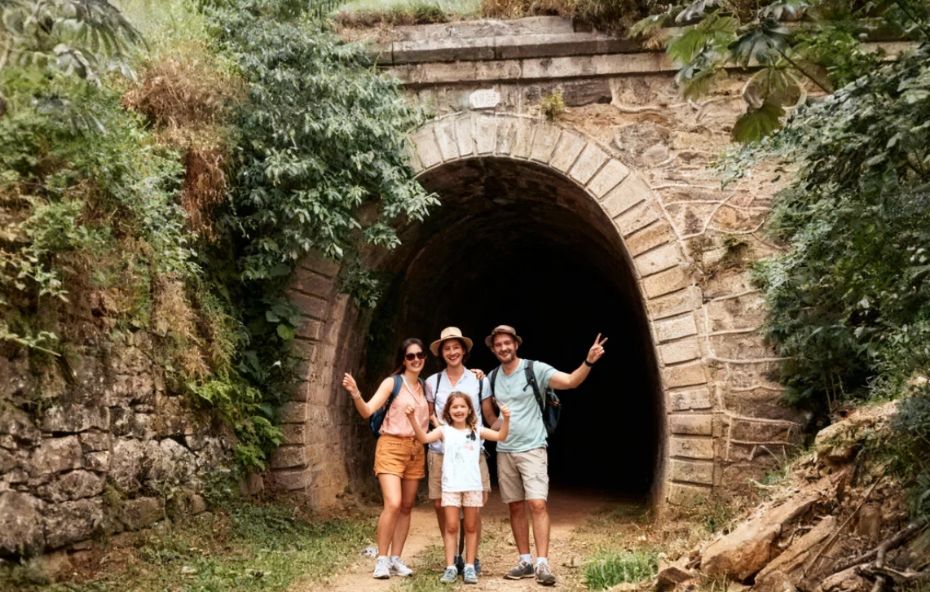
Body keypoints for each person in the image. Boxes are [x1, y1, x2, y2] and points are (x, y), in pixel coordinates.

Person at [480, 325, 607, 587]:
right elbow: (488, 411)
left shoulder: (534, 369)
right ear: (493, 349)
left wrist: (588, 361)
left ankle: (542, 563)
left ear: (516, 344)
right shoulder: (491, 377)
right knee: (515, 505)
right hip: (505, 450)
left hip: (533, 448)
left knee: (537, 504)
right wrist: (496, 426)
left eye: (507, 343)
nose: (503, 348)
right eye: (498, 345)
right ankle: (524, 561)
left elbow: (570, 381)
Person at [342, 338, 430, 579]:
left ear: (425, 357)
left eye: (420, 355)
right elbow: (367, 411)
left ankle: (395, 559)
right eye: (410, 356)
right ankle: (381, 559)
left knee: (406, 506)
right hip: (391, 446)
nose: (416, 360)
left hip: (416, 450)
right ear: (403, 360)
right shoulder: (393, 382)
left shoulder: (426, 386)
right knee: (393, 503)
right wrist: (356, 393)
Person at [406, 393, 511, 585]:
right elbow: (423, 438)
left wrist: (506, 419)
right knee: (451, 526)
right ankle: (451, 566)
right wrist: (412, 418)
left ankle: (469, 566)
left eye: (463, 406)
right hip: (451, 486)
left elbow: (501, 436)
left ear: (470, 410)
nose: (459, 410)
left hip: (472, 486)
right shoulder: (444, 431)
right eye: (454, 407)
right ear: (448, 411)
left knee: (471, 527)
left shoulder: (477, 430)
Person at [424, 327, 492, 575]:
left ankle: (472, 557)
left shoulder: (479, 379)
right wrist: (442, 429)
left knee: (475, 503)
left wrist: (505, 426)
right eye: (447, 348)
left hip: (472, 450)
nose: (452, 352)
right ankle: (452, 556)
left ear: (464, 350)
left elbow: (486, 413)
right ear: (441, 353)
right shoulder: (433, 381)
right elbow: (429, 412)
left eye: (456, 347)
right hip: (440, 451)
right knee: (441, 504)